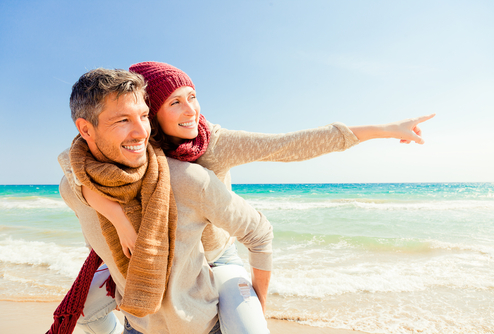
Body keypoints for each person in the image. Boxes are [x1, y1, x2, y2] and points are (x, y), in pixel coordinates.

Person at [71, 61, 435, 334]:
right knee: (81, 305)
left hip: (216, 256)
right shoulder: (137, 142)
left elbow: (291, 146)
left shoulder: (213, 143)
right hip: (165, 253)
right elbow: (76, 169)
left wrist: (383, 130)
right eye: (174, 102)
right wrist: (116, 218)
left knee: (249, 327)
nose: (190, 111)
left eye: (192, 97)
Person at [57, 68, 274, 334]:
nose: (140, 132)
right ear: (85, 129)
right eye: (123, 120)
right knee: (83, 311)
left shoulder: (188, 179)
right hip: (137, 326)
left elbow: (259, 232)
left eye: (144, 116)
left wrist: (258, 310)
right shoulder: (74, 189)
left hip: (205, 327)